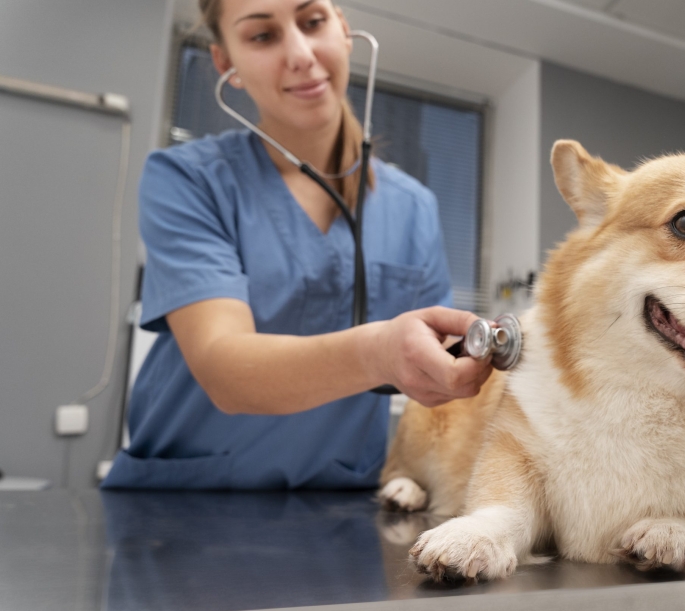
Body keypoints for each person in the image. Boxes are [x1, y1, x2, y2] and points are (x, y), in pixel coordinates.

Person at [101, 0, 492, 490]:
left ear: (344, 31)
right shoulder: (187, 180)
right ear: (226, 64)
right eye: (262, 36)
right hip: (185, 506)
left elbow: (439, 365)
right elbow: (226, 367)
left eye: (312, 22)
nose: (301, 54)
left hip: (341, 511)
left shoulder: (415, 208)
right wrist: (379, 351)